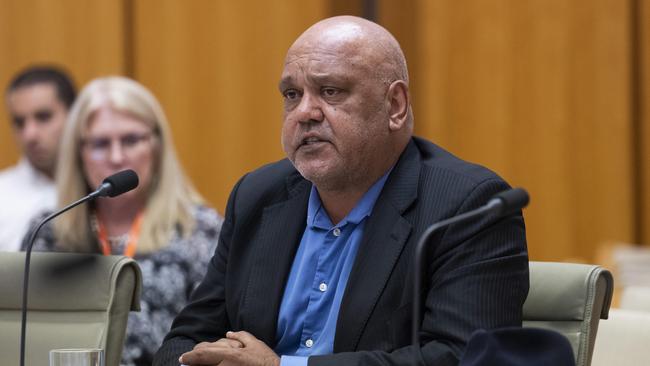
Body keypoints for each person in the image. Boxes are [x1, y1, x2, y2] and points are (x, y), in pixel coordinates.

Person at [154, 16, 528, 366]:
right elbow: (184, 339)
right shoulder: (258, 196)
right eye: (291, 94)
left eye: (330, 91)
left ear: (395, 106)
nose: (304, 112)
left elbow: (461, 356)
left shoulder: (467, 207)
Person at [25, 76, 223, 366]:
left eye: (131, 140)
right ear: (78, 153)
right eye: (100, 143)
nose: (116, 157)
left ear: (157, 147)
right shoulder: (49, 231)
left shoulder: (200, 230)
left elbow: (216, 340)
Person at [0, 66, 75, 252]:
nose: (29, 135)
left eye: (43, 117)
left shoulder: (105, 190)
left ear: (74, 114)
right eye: (19, 122)